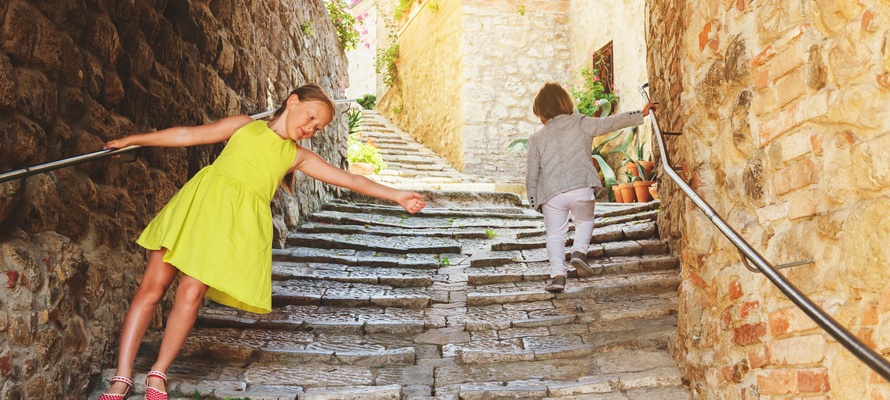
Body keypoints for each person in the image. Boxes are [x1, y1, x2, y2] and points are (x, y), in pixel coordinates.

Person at [98, 83, 427, 400]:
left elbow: (351, 178)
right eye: (311, 117)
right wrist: (133, 140)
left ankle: (159, 373)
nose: (312, 128)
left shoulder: (296, 156)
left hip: (230, 228)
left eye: (320, 127)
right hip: (197, 208)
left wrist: (396, 195)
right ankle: (122, 376)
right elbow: (188, 134)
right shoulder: (244, 126)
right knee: (152, 288)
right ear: (292, 101)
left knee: (191, 293)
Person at [525, 82, 655, 293]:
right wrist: (640, 114)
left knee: (554, 235)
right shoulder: (581, 122)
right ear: (565, 103)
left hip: (551, 194)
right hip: (581, 187)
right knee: (584, 220)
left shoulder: (536, 138)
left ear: (542, 111)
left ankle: (558, 275)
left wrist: (533, 200)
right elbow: (609, 123)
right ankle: (578, 252)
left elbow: (532, 172)